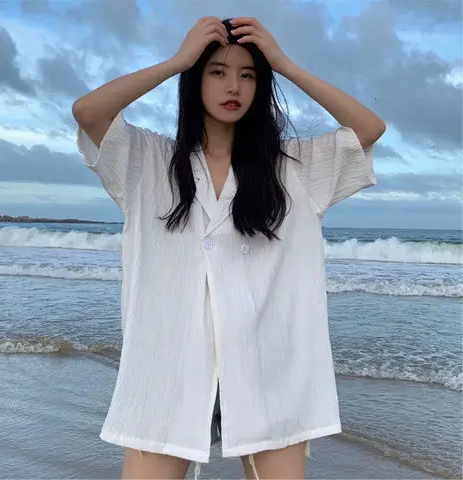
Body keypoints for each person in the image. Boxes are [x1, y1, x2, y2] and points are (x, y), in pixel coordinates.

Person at [73, 16, 385, 480]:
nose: (233, 86)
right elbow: (88, 112)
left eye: (248, 74)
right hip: (168, 371)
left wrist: (283, 64)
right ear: (195, 80)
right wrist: (177, 61)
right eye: (217, 72)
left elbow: (368, 128)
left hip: (270, 375)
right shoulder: (149, 161)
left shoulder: (294, 167)